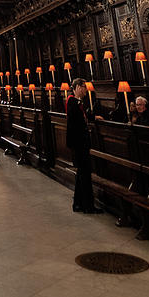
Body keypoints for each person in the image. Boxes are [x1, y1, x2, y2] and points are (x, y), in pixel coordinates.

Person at [66, 78, 103, 214]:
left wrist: (93, 117)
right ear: (77, 87)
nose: (86, 90)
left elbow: (83, 117)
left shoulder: (77, 102)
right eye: (84, 87)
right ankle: (88, 206)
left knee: (82, 173)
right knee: (85, 174)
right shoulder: (72, 101)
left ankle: (78, 203)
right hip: (79, 142)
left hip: (80, 142)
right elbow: (76, 117)